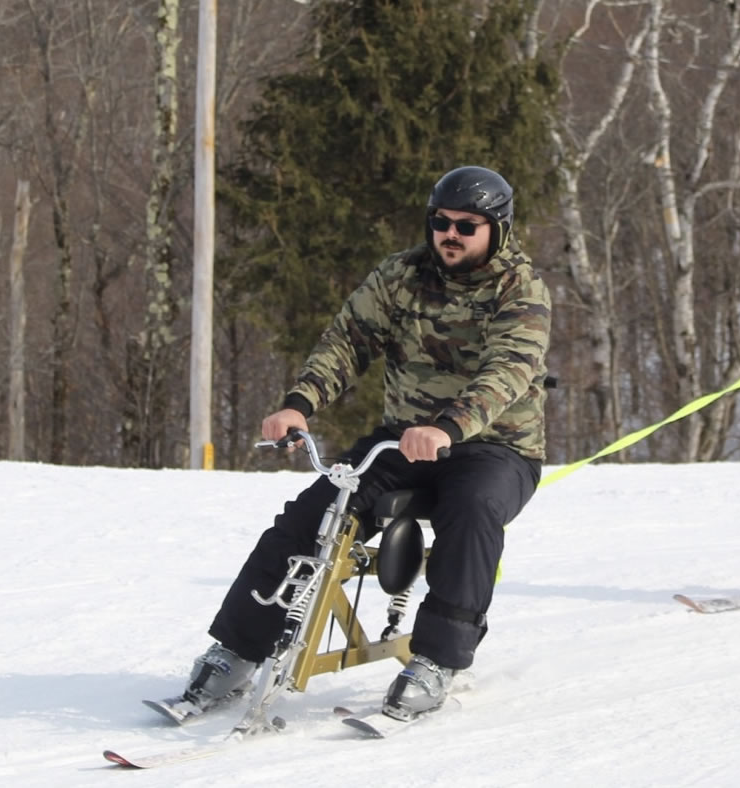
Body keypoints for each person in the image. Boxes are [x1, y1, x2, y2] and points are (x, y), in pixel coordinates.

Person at [170, 165, 552, 723]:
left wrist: (448, 426)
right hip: (402, 440)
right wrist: (300, 403)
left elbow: (508, 371)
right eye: (441, 222)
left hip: (495, 446)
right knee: (314, 514)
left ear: (498, 228)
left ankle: (437, 661)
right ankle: (238, 650)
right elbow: (347, 341)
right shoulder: (400, 276)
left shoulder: (521, 289)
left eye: (466, 226)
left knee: (471, 513)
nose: (450, 234)